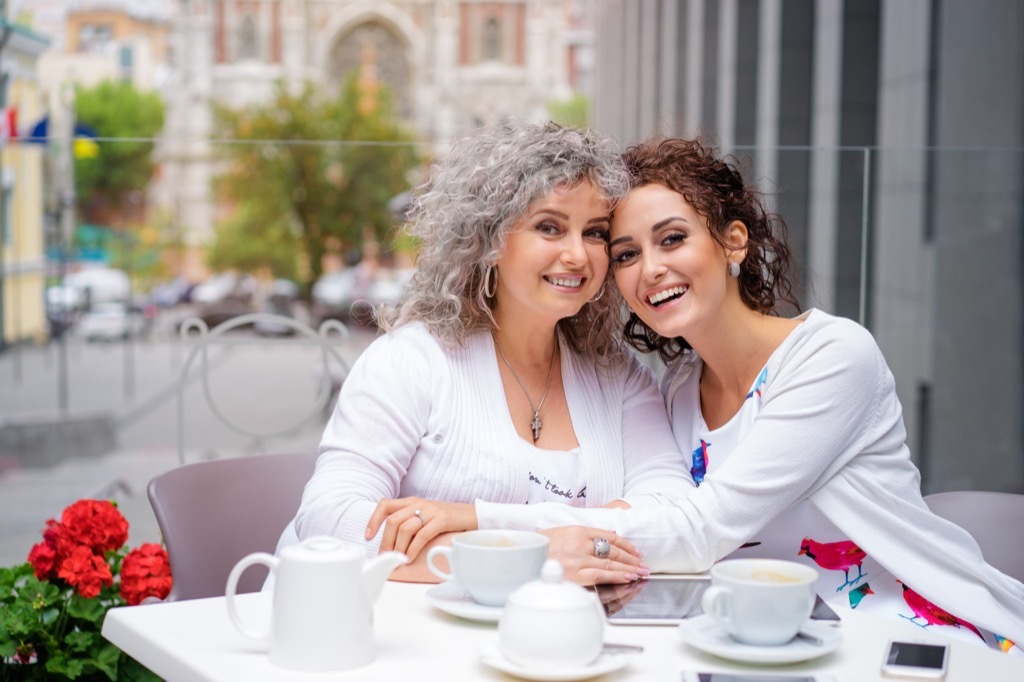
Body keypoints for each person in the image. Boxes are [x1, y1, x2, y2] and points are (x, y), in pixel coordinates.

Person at [375, 136, 1024, 650]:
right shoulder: (680, 387)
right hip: (765, 638)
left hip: (905, 636)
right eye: (625, 254)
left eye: (673, 239)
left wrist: (477, 517)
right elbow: (651, 523)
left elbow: (695, 531)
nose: (649, 270)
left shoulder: (831, 357)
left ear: (733, 241)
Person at [277, 120, 693, 585]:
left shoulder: (618, 375)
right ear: (489, 240)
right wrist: (535, 559)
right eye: (550, 227)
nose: (578, 255)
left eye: (594, 233)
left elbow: (674, 517)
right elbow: (330, 521)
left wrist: (477, 521)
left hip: (547, 640)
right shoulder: (411, 361)